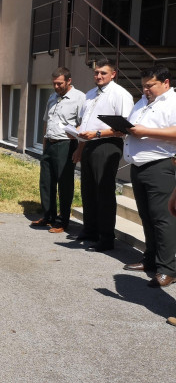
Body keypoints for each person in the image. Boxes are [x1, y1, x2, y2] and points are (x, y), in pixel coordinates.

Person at [120, 66, 176, 288]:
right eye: (143, 86)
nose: (145, 90)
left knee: (163, 219)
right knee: (146, 216)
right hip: (139, 166)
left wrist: (146, 132)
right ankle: (150, 259)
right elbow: (135, 127)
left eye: (150, 85)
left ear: (165, 83)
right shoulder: (142, 102)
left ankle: (168, 269)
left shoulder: (172, 102)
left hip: (160, 165)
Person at [73, 59, 134, 252]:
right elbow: (86, 123)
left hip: (108, 145)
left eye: (103, 73)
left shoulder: (120, 94)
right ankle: (90, 229)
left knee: (104, 192)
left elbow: (124, 128)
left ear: (113, 74)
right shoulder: (90, 94)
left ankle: (106, 237)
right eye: (96, 72)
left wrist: (97, 134)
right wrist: (79, 144)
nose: (98, 76)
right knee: (88, 189)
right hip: (89, 143)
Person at [31, 67, 85, 234]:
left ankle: (63, 221)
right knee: (46, 182)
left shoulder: (79, 98)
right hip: (50, 143)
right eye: (54, 83)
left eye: (59, 83)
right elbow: (47, 121)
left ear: (69, 81)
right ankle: (48, 216)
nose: (56, 87)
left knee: (64, 184)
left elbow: (83, 125)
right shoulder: (52, 97)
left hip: (66, 145)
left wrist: (79, 148)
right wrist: (44, 143)